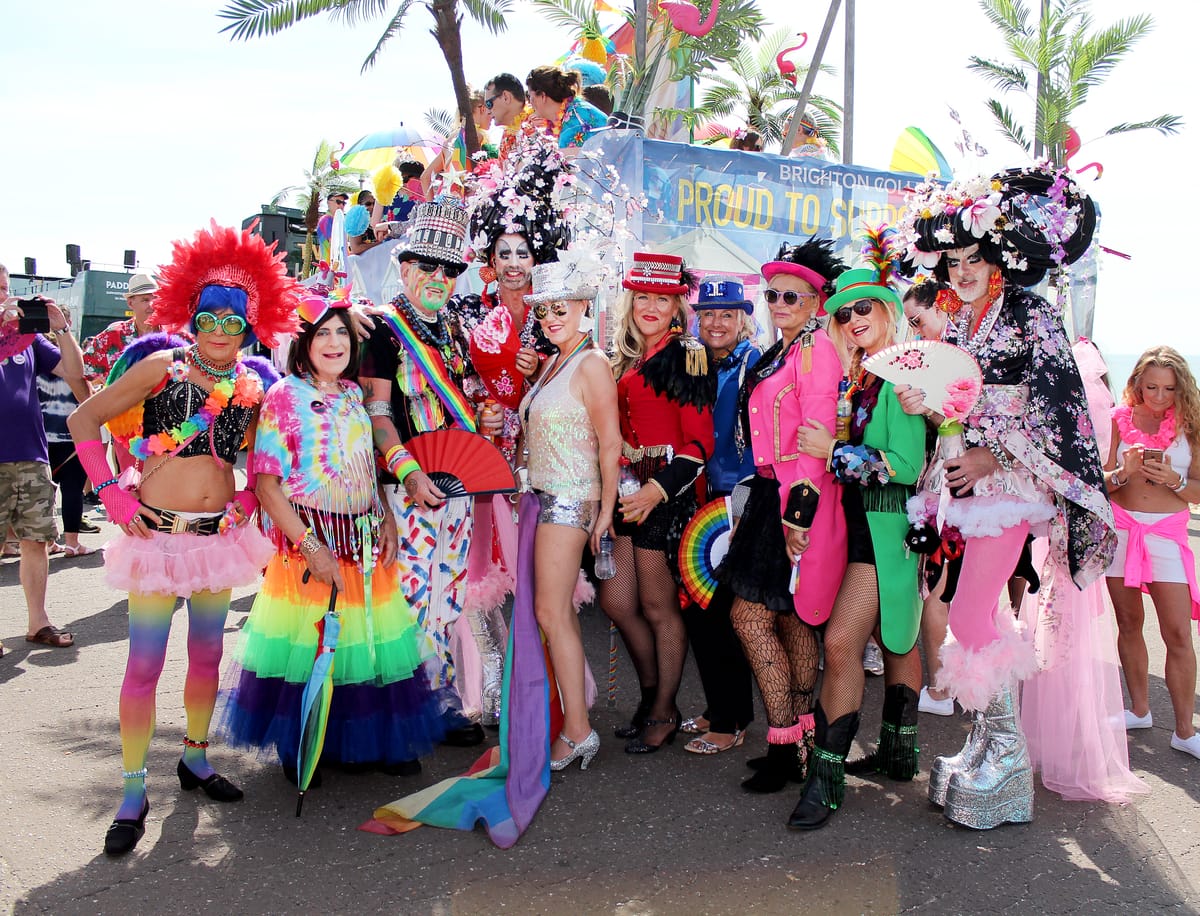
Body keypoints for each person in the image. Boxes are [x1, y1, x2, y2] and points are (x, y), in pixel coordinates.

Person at [895, 167, 1113, 829]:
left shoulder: (1032, 315)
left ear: (1001, 258)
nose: (961, 271)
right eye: (952, 260)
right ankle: (991, 741)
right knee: (977, 614)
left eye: (975, 258)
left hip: (1009, 490)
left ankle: (1010, 756)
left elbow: (1054, 409)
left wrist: (994, 453)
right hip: (966, 486)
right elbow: (959, 408)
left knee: (966, 618)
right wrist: (925, 405)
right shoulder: (962, 321)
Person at [68, 223, 296, 855]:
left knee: (206, 659)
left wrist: (249, 498)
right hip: (155, 542)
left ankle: (194, 759)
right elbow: (83, 417)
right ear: (192, 319)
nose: (222, 332)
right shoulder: (160, 368)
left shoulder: (253, 385)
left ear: (251, 328)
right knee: (143, 665)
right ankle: (133, 790)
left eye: (235, 322)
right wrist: (110, 493)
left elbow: (254, 459)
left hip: (216, 544)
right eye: (210, 319)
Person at [220, 297, 452, 781]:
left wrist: (385, 514)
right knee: (311, 645)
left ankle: (370, 740)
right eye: (322, 333)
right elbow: (267, 485)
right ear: (303, 343)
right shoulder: (284, 396)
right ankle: (304, 741)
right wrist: (311, 547)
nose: (334, 342)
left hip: (364, 538)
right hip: (312, 543)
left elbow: (367, 462)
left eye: (342, 333)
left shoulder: (352, 394)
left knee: (369, 642)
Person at [789, 261, 926, 829]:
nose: (852, 319)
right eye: (843, 313)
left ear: (887, 310)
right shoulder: (860, 377)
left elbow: (906, 465)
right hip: (852, 527)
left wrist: (830, 452)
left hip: (885, 530)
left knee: (844, 643)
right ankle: (898, 754)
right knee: (892, 636)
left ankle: (826, 779)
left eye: (863, 307)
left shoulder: (902, 376)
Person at [359, 197, 498, 747]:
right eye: (428, 266)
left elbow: (464, 401)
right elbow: (375, 414)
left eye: (450, 269)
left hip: (457, 485)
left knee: (447, 590)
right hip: (404, 488)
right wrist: (410, 473)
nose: (440, 277)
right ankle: (402, 699)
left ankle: (438, 695)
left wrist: (485, 416)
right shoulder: (381, 331)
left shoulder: (457, 332)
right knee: (409, 593)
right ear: (405, 266)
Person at [716, 238, 849, 793]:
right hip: (773, 494)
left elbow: (817, 442)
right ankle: (797, 744)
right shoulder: (783, 350)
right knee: (787, 619)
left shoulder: (817, 352)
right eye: (773, 294)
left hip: (797, 498)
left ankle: (785, 741)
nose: (781, 303)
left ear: (818, 301)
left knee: (749, 617)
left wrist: (800, 515)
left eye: (794, 295)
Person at [603, 252, 714, 754]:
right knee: (616, 601)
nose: (650, 306)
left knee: (657, 607)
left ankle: (665, 708)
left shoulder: (688, 354)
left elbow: (699, 445)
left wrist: (656, 491)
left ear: (676, 305)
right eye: (642, 296)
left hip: (665, 497)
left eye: (661, 298)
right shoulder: (627, 358)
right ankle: (651, 696)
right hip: (629, 493)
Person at [519, 257, 620, 769]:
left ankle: (579, 731)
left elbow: (610, 444)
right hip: (541, 498)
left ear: (584, 305)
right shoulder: (555, 362)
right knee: (553, 614)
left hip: (569, 498)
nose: (551, 318)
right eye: (543, 312)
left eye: (560, 308)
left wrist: (603, 512)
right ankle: (574, 720)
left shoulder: (591, 363)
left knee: (549, 612)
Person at [1105, 346, 1200, 760]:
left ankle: (1184, 731)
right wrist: (1123, 472)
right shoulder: (1120, 420)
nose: (1159, 397)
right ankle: (1139, 709)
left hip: (1164, 535)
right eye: (1151, 388)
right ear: (1136, 385)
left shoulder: (1192, 425)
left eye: (1168, 389)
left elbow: (1198, 490)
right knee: (1128, 622)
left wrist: (1175, 480)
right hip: (1121, 528)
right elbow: (1102, 482)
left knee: (1178, 633)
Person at [679, 277, 758, 755]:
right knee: (698, 607)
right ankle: (719, 707)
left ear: (742, 319)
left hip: (738, 499)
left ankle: (731, 720)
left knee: (722, 613)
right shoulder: (693, 363)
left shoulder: (756, 363)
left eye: (726, 314)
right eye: (708, 314)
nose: (716, 322)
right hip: (696, 497)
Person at [0, 268, 86, 650]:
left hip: (32, 456)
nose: (4, 296)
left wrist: (62, 328)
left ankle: (38, 622)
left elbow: (73, 371)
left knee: (37, 540)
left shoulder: (28, 340)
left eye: (4, 288)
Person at [899, 279, 958, 715]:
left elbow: (955, 430)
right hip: (967, 491)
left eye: (918, 320)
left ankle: (940, 689)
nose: (916, 332)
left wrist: (929, 412)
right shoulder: (955, 355)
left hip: (951, 490)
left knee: (937, 588)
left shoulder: (953, 362)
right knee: (955, 591)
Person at [37, 363, 94, 557]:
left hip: (42, 440)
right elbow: (90, 400)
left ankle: (49, 542)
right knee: (72, 491)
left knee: (45, 494)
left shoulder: (35, 370)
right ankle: (72, 543)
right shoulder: (76, 372)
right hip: (73, 439)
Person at [81, 273, 165, 387]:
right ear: (130, 303)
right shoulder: (112, 335)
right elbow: (82, 372)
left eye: (155, 299)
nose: (152, 305)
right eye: (145, 300)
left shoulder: (173, 336)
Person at [526, 65, 608, 150]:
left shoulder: (577, 119)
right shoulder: (569, 113)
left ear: (542, 96)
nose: (529, 102)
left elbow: (574, 159)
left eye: (530, 96)